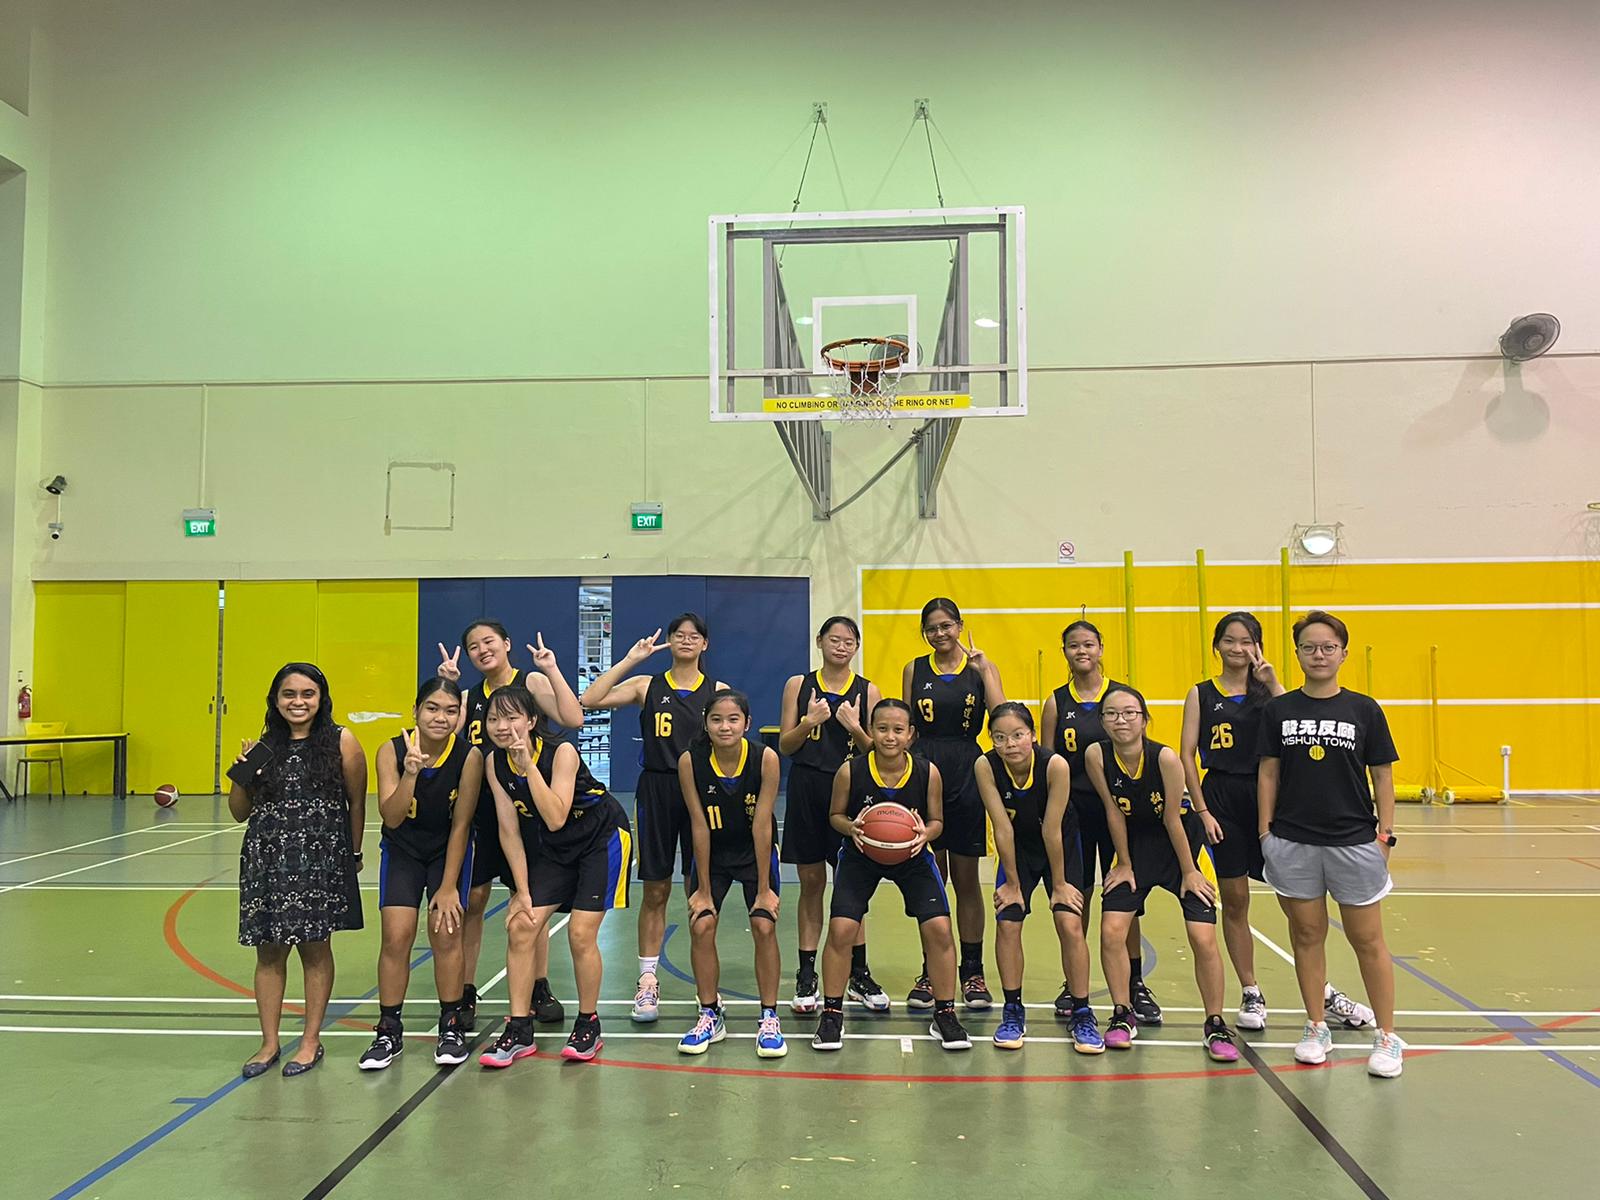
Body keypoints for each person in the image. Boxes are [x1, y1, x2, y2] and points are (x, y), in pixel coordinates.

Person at [1259, 611, 1404, 1078]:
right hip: (1293, 842)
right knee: (1306, 935)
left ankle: (1386, 1036)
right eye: (1308, 647)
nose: (1318, 654)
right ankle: (1316, 1025)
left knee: (1368, 940)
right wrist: (1266, 832)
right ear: (1297, 653)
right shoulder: (1278, 711)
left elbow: (1382, 774)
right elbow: (1269, 772)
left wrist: (1385, 835)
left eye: (1327, 647)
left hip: (1354, 843)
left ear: (1342, 652)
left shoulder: (1364, 709)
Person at [580, 613, 727, 1023]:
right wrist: (631, 659)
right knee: (656, 888)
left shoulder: (719, 692)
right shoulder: (647, 686)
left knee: (701, 887)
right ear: (669, 641)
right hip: (658, 790)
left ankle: (707, 991)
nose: (686, 640)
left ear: (704, 645)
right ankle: (647, 982)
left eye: (694, 635)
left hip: (704, 790)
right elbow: (589, 699)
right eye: (678, 635)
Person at [475, 686, 633, 1068]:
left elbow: (555, 816)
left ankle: (588, 1024)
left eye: (512, 717)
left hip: (601, 839)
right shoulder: (494, 764)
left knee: (580, 934)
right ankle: (518, 1028)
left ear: (531, 721)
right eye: (494, 718)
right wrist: (522, 891)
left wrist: (529, 767)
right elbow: (509, 829)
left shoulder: (561, 752)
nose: (502, 726)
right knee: (521, 925)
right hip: (557, 850)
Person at [436, 621, 582, 1030]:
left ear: (506, 643)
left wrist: (552, 669)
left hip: (530, 805)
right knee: (476, 900)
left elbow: (574, 718)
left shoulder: (530, 681)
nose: (482, 650)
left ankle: (538, 985)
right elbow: (444, 737)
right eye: (473, 646)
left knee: (531, 898)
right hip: (484, 808)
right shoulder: (467, 697)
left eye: (489, 642)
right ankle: (465, 990)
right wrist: (445, 686)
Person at [1085, 685, 1240, 1062]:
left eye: (1129, 713)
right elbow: (1112, 810)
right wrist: (1122, 862)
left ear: (1144, 719)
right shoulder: (1096, 755)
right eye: (1111, 714)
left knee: (1202, 938)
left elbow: (1173, 818)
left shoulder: (1166, 759)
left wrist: (1189, 872)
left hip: (1181, 848)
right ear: (1102, 720)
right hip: (1135, 850)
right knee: (1111, 932)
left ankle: (1215, 1022)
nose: (1120, 720)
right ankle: (1123, 1015)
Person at [231, 662, 366, 1079]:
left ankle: (310, 1041)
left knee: (315, 949)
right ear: (275, 700)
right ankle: (269, 1043)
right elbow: (239, 813)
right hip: (267, 859)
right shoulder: (262, 748)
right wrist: (241, 775)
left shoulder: (343, 742)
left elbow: (356, 803)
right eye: (289, 694)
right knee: (268, 953)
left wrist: (353, 855)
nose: (298, 702)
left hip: (320, 860)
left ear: (321, 698)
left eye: (307, 693)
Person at [812, 700, 971, 1053]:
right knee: (841, 929)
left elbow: (937, 822)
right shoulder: (850, 771)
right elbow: (835, 815)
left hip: (912, 856)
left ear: (911, 734)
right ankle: (833, 1013)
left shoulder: (927, 772)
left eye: (898, 729)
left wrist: (924, 834)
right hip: (861, 854)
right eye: (882, 728)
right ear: (871, 730)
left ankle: (944, 1012)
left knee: (940, 929)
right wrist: (850, 826)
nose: (889, 736)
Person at [1040, 620, 1161, 1024]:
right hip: (1074, 812)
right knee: (1078, 894)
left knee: (1123, 894)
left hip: (1119, 809)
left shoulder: (1121, 697)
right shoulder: (1057, 702)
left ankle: (1135, 981)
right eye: (1073, 645)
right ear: (1065, 652)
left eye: (1088, 644)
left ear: (1101, 648)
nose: (1081, 651)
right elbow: (1047, 760)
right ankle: (1074, 982)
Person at [361, 678, 483, 1070]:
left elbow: (462, 824)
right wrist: (410, 773)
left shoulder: (469, 757)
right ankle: (388, 1030)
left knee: (445, 932)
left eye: (450, 710)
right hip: (402, 850)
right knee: (396, 935)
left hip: (447, 851)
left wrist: (448, 886)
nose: (440, 717)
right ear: (415, 710)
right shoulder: (390, 751)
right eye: (432, 708)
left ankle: (450, 1024)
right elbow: (392, 817)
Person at [976, 702, 1102, 1053]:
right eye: (1000, 737)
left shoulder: (1054, 765)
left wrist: (1060, 884)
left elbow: (1053, 830)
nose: (1010, 744)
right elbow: (1001, 828)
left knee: (1069, 923)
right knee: (1007, 922)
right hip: (1017, 847)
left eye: (1018, 735)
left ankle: (1082, 1011)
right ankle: (1013, 1010)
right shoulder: (985, 765)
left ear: (1032, 735)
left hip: (1061, 844)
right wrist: (1013, 884)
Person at [777, 615, 887, 1015]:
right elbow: (786, 746)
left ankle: (859, 972)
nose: (841, 646)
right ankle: (807, 974)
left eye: (849, 641)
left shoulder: (867, 689)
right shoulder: (798, 685)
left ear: (856, 646)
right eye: (834, 639)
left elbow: (879, 750)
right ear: (820, 640)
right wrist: (810, 722)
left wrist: (856, 728)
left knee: (851, 886)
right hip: (807, 788)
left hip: (851, 788)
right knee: (810, 885)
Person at [901, 598, 1004, 1011]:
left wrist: (985, 672)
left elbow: (1002, 718)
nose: (940, 634)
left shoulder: (982, 667)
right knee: (931, 876)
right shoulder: (914, 669)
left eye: (947, 626)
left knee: (965, 877)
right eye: (932, 628)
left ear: (960, 626)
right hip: (925, 769)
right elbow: (906, 727)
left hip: (967, 768)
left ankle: (972, 972)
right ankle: (932, 969)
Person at [677, 690, 786, 1058]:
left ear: (747, 723)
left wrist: (764, 889)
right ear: (705, 724)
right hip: (713, 853)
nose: (725, 727)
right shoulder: (691, 762)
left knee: (764, 924)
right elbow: (698, 827)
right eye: (717, 720)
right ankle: (710, 1012)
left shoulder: (765, 758)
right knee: (702, 923)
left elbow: (763, 826)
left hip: (754, 851)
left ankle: (769, 1016)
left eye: (733, 719)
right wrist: (703, 889)